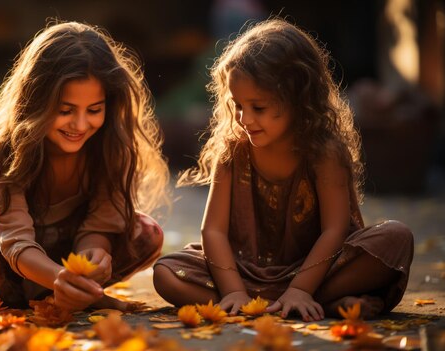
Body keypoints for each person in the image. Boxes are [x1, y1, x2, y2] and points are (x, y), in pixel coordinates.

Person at [153, 19, 413, 322]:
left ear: (298, 98)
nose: (244, 118)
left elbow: (335, 230)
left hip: (319, 268)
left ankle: (293, 300)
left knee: (396, 238)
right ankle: (313, 303)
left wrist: (300, 288)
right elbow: (212, 231)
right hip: (244, 270)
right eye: (237, 105)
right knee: (166, 273)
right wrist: (234, 291)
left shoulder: (323, 151)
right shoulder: (232, 150)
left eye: (258, 107)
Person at [0, 21, 170, 312]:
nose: (79, 125)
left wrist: (94, 253)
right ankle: (52, 293)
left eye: (94, 110)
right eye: (65, 111)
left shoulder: (111, 148)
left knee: (145, 232)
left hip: (65, 259)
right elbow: (15, 244)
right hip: (10, 262)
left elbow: (100, 224)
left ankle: (76, 293)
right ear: (35, 102)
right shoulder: (6, 152)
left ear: (110, 105)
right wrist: (57, 278)